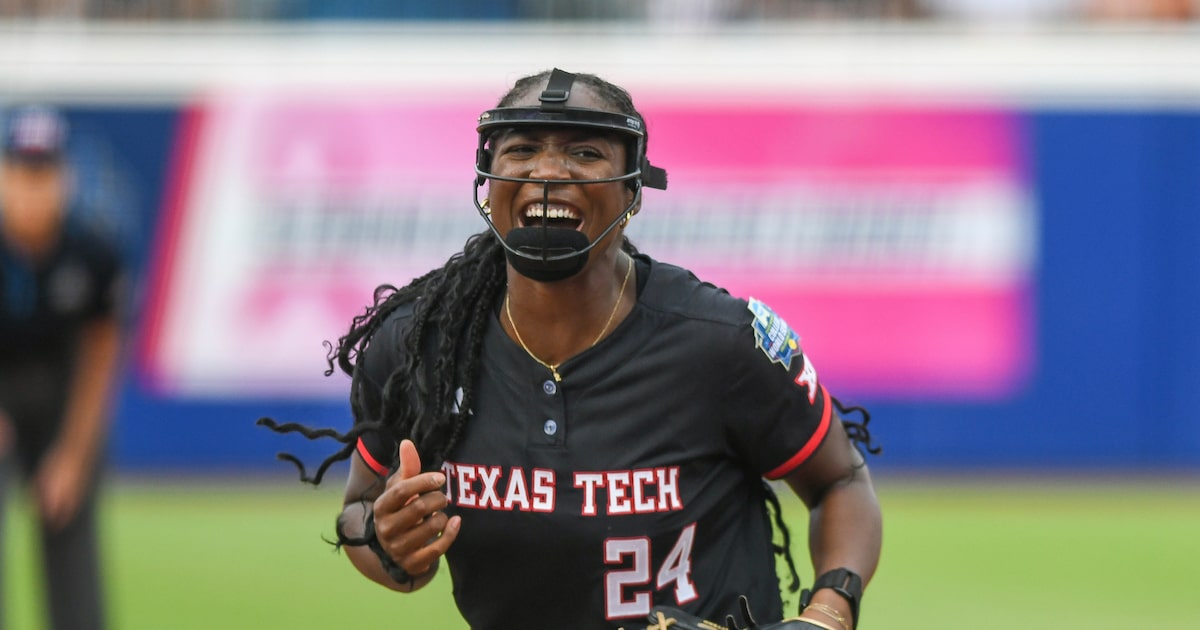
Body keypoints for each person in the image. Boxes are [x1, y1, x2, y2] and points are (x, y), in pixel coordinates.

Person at [262, 69, 882, 629]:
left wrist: (829, 613)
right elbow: (360, 511)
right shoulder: (418, 346)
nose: (548, 172)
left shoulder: (720, 340)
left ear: (633, 189)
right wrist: (388, 543)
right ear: (487, 179)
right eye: (522, 149)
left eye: (585, 153)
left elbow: (841, 480)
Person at [0, 105, 124, 630]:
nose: (34, 189)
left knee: (69, 523)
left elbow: (98, 360)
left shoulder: (93, 254)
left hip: (61, 396)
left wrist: (72, 455)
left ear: (64, 178)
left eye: (45, 173)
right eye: (22, 173)